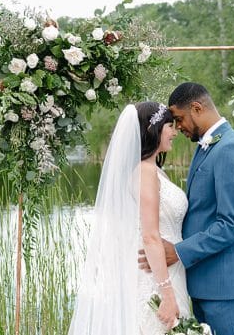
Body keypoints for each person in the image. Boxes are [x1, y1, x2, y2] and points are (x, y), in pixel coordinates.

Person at [68, 102, 190, 334]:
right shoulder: (145, 171)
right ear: (152, 130)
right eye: (169, 127)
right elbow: (151, 236)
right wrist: (166, 294)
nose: (174, 132)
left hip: (170, 271)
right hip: (157, 280)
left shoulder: (154, 170)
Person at [139, 82, 234, 334]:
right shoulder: (205, 147)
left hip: (224, 291)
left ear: (196, 108)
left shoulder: (229, 149)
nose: (178, 127)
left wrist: (179, 251)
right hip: (199, 284)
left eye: (180, 119)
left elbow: (230, 224)